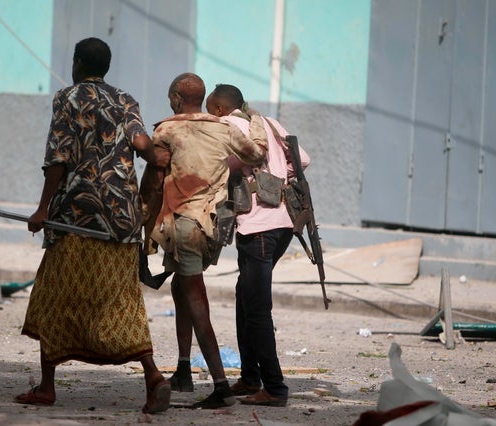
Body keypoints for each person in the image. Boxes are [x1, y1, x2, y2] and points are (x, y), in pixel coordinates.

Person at [15, 37, 171, 414]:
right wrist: (158, 158)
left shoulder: (66, 99)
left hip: (75, 218)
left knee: (53, 294)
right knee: (122, 300)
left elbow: (58, 157)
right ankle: (152, 377)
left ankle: (47, 387)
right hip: (121, 219)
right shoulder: (124, 99)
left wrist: (41, 209)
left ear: (77, 62)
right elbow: (141, 141)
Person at [146, 73, 269, 409]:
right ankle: (184, 370)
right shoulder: (225, 129)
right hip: (210, 228)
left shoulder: (166, 130)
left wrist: (143, 228)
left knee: (196, 299)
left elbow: (154, 184)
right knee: (180, 290)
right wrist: (255, 121)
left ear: (174, 96)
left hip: (183, 226)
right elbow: (258, 155)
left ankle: (221, 388)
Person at [205, 83, 310, 407]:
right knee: (244, 296)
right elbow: (302, 160)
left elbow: (219, 167)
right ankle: (250, 377)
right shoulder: (269, 123)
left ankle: (275, 388)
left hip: (258, 226)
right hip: (283, 225)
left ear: (221, 109)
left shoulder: (223, 127)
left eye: (210, 110)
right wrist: (276, 178)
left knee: (258, 310)